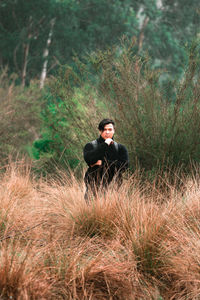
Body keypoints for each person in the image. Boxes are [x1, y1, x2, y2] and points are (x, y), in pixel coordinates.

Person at [83, 118, 129, 200]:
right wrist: (105, 145)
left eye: (110, 129)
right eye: (104, 130)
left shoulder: (120, 148)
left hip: (114, 189)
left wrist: (103, 162)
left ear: (114, 130)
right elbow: (89, 160)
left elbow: (125, 166)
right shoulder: (90, 146)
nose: (107, 132)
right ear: (100, 131)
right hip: (92, 190)